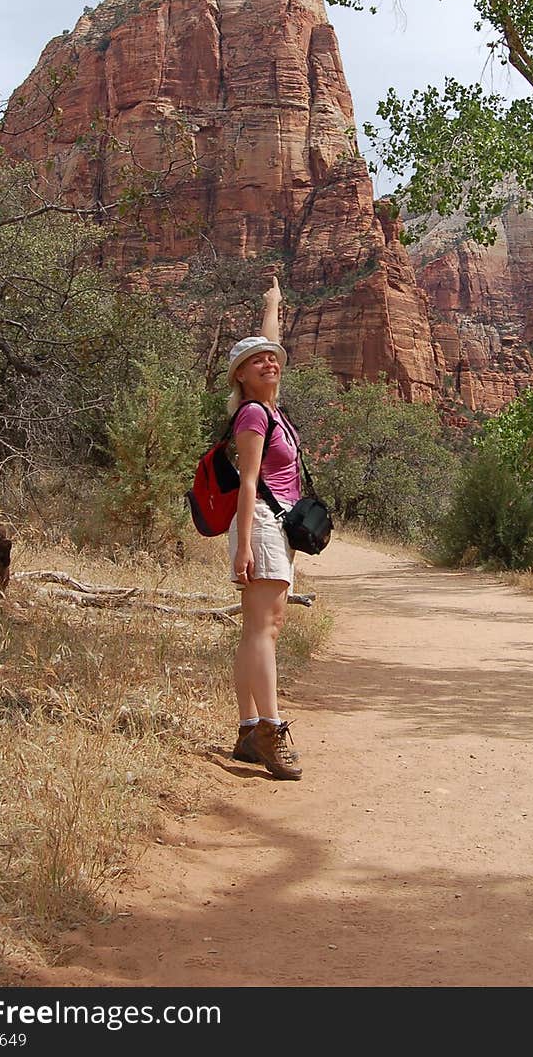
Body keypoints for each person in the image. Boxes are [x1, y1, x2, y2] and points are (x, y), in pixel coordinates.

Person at [226, 274, 303, 781]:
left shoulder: (271, 406)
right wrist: (245, 547)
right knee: (264, 630)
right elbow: (248, 482)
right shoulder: (254, 415)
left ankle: (248, 729)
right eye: (258, 361)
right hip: (260, 524)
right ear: (242, 376)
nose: (270, 362)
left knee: (261, 629)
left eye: (273, 358)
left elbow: (269, 341)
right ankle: (270, 734)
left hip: (276, 528)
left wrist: (272, 303)